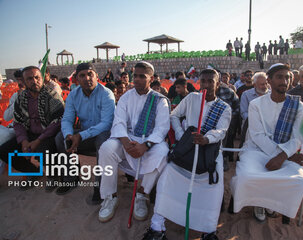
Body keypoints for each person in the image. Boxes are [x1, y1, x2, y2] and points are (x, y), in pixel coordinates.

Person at [143, 69, 231, 240]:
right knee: (166, 176)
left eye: (210, 81)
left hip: (210, 151)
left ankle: (208, 230)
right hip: (186, 150)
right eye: (203, 81)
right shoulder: (192, 98)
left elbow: (221, 131)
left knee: (216, 185)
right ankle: (157, 227)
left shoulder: (224, 108)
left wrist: (206, 138)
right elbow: (174, 116)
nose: (206, 85)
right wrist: (179, 134)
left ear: (217, 84)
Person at [230, 63, 303, 223]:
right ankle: (259, 203)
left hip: (286, 153)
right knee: (246, 177)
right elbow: (258, 135)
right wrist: (282, 156)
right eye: (279, 77)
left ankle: (274, 203)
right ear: (269, 80)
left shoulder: (299, 107)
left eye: (287, 77)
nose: (284, 81)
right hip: (256, 151)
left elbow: (297, 138)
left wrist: (283, 156)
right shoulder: (256, 105)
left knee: (301, 182)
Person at [97, 61, 170, 223]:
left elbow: (161, 129)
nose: (136, 79)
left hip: (149, 142)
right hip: (126, 139)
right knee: (106, 149)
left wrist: (145, 146)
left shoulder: (159, 100)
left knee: (163, 153)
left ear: (151, 79)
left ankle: (142, 194)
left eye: (142, 76)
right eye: (134, 75)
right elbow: (119, 123)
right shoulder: (126, 97)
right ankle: (110, 196)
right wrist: (125, 142)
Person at [55, 63, 115, 200]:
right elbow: (67, 120)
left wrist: (80, 136)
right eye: (82, 75)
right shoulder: (73, 95)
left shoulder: (106, 94)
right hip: (85, 135)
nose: (87, 78)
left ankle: (100, 186)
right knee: (60, 138)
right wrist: (69, 135)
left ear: (97, 77)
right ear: (76, 79)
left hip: (104, 135)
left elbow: (106, 124)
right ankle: (71, 178)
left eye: (90, 74)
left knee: (102, 141)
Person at [0, 66, 64, 190]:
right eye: (30, 78)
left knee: (43, 149)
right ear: (23, 82)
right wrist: (23, 140)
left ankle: (54, 176)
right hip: (29, 134)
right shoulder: (21, 98)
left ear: (42, 79)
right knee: (4, 150)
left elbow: (57, 122)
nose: (34, 81)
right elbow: (18, 122)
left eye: (37, 77)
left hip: (48, 135)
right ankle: (34, 172)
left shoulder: (52, 96)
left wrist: (38, 140)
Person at [239, 72, 269, 147]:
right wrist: (257, 121)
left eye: (266, 84)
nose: (265, 86)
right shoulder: (246, 95)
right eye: (262, 84)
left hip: (268, 128)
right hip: (249, 127)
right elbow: (244, 113)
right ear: (255, 85)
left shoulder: (271, 95)